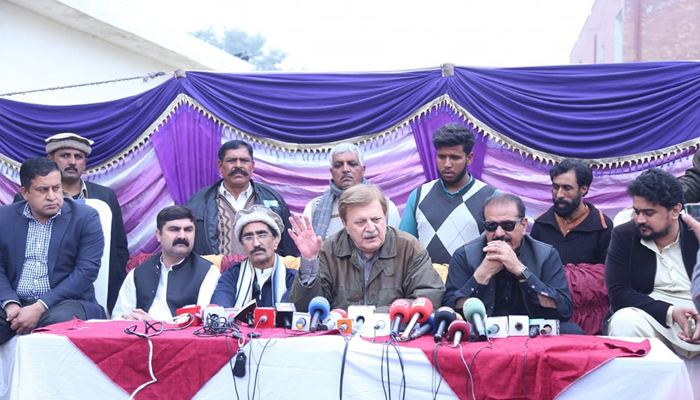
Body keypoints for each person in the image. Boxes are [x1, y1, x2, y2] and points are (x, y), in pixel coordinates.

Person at [13, 133, 130, 313]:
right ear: (51, 160)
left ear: (85, 162)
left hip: (92, 289)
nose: (72, 162)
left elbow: (118, 246)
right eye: (65, 155)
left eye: (78, 157)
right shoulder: (24, 198)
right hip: (38, 291)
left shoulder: (105, 196)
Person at [288, 184, 445, 313]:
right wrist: (309, 260)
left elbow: (429, 298)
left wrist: (371, 316)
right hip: (340, 340)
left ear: (385, 215)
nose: (371, 228)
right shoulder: (328, 251)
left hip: (393, 338)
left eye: (376, 219)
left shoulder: (409, 248)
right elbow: (304, 309)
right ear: (345, 224)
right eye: (360, 222)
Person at [0, 158, 105, 345]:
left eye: (56, 188)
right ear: (25, 193)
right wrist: (10, 303)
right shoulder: (4, 218)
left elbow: (86, 272)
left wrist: (40, 306)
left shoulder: (86, 218)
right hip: (15, 304)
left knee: (59, 325)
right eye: (42, 190)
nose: (52, 196)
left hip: (63, 303)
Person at [443, 193, 581, 334]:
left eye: (507, 225)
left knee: (573, 331)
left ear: (523, 225)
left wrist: (521, 271)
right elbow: (449, 310)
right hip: (482, 332)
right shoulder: (464, 255)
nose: (498, 233)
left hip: (533, 331)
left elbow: (563, 310)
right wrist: (481, 275)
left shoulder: (546, 254)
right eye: (491, 226)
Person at [605, 168, 700, 358]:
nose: (640, 220)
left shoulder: (695, 232)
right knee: (624, 321)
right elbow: (619, 292)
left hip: (696, 311)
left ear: (675, 211)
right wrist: (670, 312)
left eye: (649, 213)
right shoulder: (625, 235)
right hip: (653, 316)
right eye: (637, 211)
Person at [400, 123, 497, 264]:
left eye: (454, 157)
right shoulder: (419, 195)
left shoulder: (491, 197)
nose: (447, 164)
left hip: (474, 284)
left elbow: (500, 248)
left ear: (469, 158)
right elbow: (404, 247)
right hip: (426, 284)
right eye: (441, 157)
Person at [186, 140, 296, 257]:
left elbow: (288, 251)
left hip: (261, 273)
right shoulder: (198, 202)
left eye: (244, 160)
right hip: (215, 274)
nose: (238, 165)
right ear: (220, 165)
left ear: (252, 166)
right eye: (231, 161)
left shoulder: (273, 199)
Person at [112, 206, 220, 321]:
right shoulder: (137, 274)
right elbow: (119, 318)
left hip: (183, 338)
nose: (182, 236)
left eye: (188, 230)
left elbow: (205, 324)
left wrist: (153, 324)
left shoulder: (208, 273)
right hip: (140, 337)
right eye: (174, 229)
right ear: (159, 235)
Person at [303, 142, 401, 240]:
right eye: (338, 165)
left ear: (363, 170)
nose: (345, 169)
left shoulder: (385, 206)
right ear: (331, 172)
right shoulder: (314, 208)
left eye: (352, 164)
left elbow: (395, 246)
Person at [210, 205, 296, 308]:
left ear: (276, 241)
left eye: (262, 235)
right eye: (248, 237)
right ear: (243, 246)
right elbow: (221, 305)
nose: (256, 243)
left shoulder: (292, 278)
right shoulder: (233, 273)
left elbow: (286, 312)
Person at [531, 159, 613, 265]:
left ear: (583, 189)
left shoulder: (603, 228)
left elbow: (608, 273)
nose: (559, 194)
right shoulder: (541, 224)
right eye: (555, 187)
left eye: (567, 188)